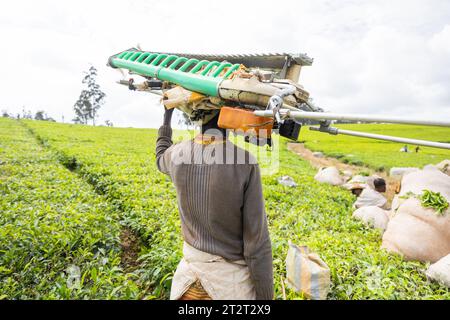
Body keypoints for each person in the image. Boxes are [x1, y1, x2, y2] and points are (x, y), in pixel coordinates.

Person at [155, 107, 273, 300]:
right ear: (232, 117)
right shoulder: (245, 162)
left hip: (187, 280)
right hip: (228, 286)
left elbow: (160, 155)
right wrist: (266, 297)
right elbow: (256, 245)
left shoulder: (177, 154)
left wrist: (168, 114)